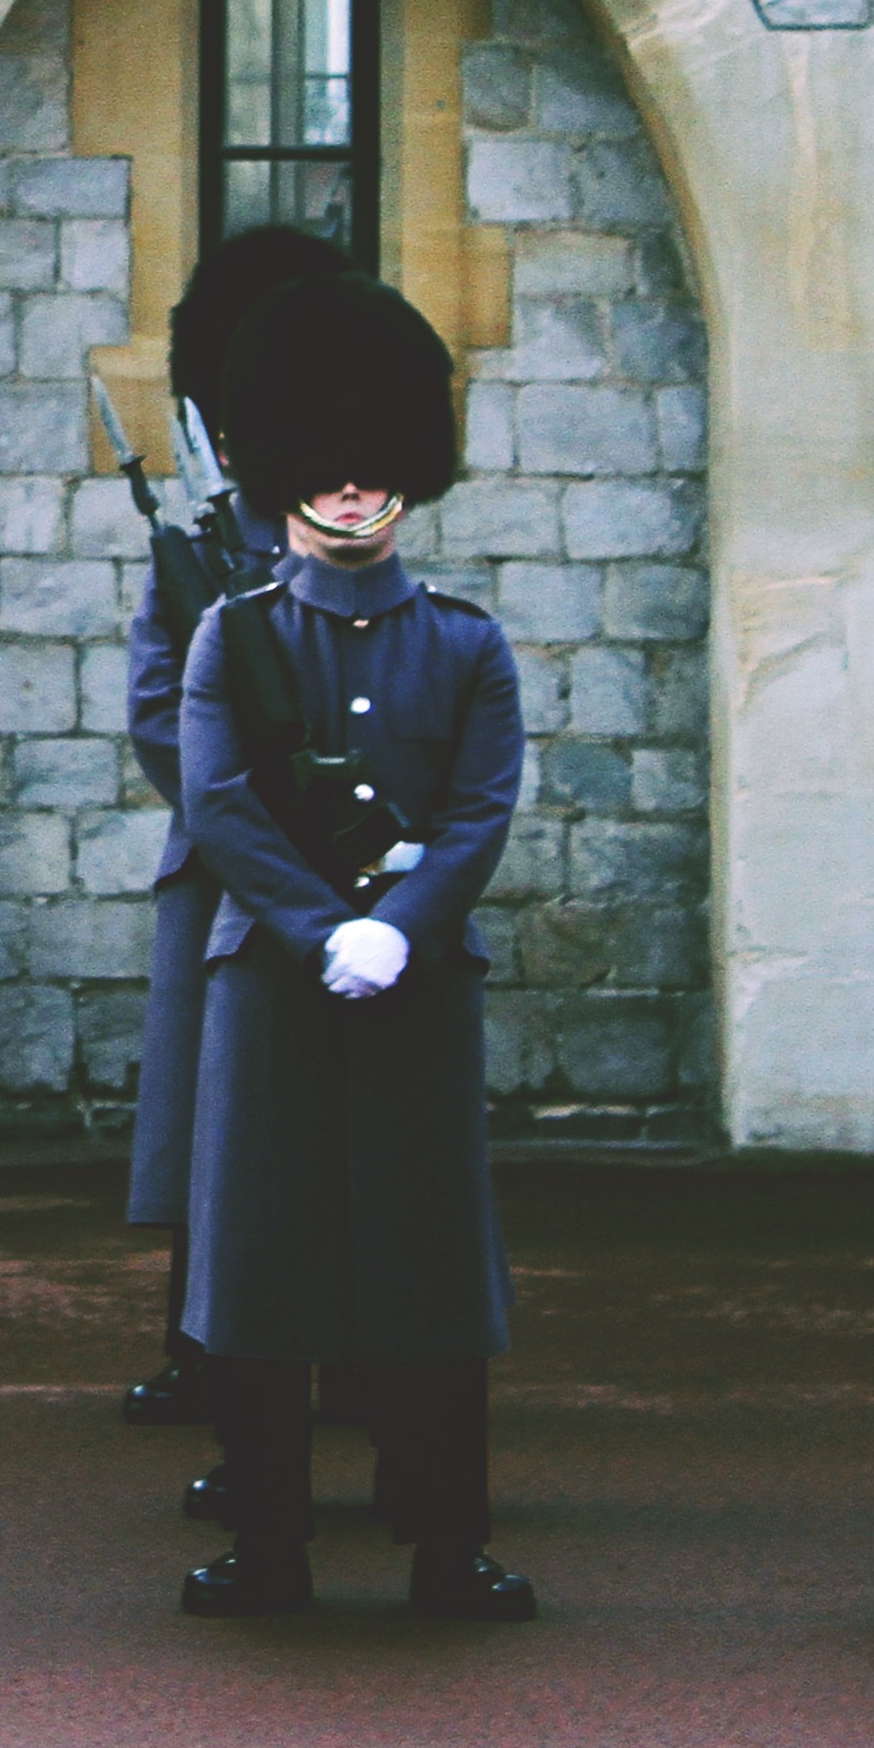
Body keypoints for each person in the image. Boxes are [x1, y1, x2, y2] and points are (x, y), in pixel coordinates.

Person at [174, 272, 537, 1622]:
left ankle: (450, 1543)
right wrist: (327, 928)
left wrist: (404, 926)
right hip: (274, 984)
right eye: (321, 465)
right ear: (284, 474)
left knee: (429, 1268)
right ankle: (268, 1540)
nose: (347, 488)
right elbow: (218, 802)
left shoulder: (464, 642)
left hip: (417, 987)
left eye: (372, 464)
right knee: (266, 1266)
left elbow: (479, 804)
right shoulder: (237, 634)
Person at [121, 223, 351, 1483]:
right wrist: (248, 815)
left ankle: (367, 1348)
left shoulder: (348, 524)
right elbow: (160, 708)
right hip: (222, 876)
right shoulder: (193, 545)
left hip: (355, 878)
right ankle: (203, 1347)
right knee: (219, 1126)